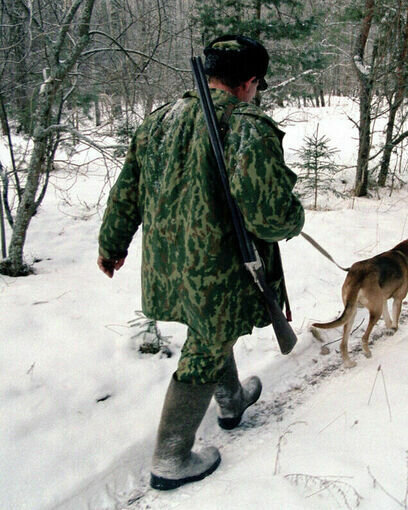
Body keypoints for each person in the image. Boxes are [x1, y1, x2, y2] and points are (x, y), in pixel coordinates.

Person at [97, 35, 305, 490]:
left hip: (169, 262)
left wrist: (112, 244)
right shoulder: (247, 125)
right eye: (257, 84)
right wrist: (295, 217)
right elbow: (270, 217)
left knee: (212, 331)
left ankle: (230, 400)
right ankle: (171, 457)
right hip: (219, 268)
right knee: (205, 345)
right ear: (249, 82)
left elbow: (126, 192)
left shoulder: (158, 120)